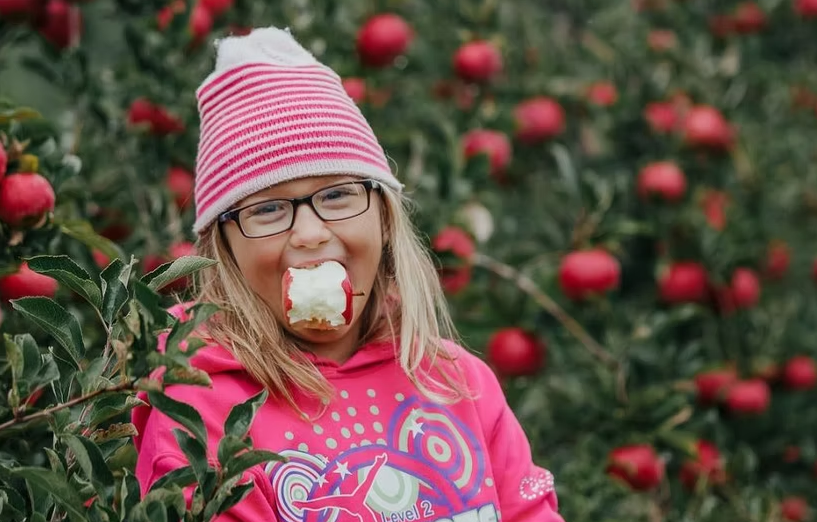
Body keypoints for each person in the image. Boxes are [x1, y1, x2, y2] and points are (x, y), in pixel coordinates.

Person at [132, 26, 565, 522]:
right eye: (269, 209)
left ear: (382, 216)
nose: (311, 233)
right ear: (224, 246)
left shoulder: (459, 384)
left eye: (338, 194)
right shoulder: (201, 408)